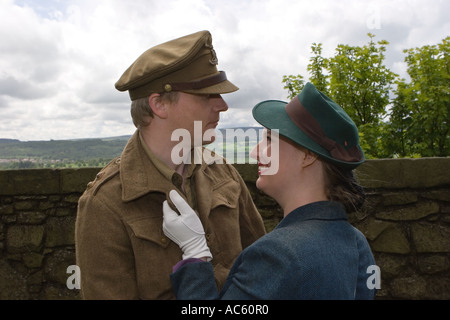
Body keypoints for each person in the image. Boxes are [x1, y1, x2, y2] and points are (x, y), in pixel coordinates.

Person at [75, 30, 266, 299]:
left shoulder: (224, 173)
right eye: (206, 96)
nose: (222, 105)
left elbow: (262, 274)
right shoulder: (106, 202)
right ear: (159, 104)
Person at [163, 82, 377, 300]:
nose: (256, 153)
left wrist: (195, 253)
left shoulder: (275, 255)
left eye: (268, 140)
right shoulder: (357, 243)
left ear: (307, 155)